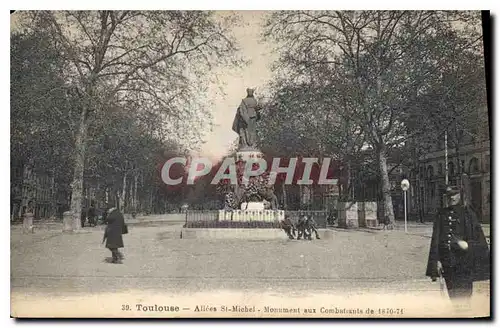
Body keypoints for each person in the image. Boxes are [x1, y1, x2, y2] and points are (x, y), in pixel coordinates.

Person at [426, 185, 490, 300]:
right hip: (448, 263)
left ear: (460, 196)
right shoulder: (441, 214)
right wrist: (437, 261)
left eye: (454, 195)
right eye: (449, 195)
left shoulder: (468, 214)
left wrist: (468, 245)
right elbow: (436, 240)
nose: (452, 198)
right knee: (453, 296)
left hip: (464, 262)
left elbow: (479, 240)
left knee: (464, 295)